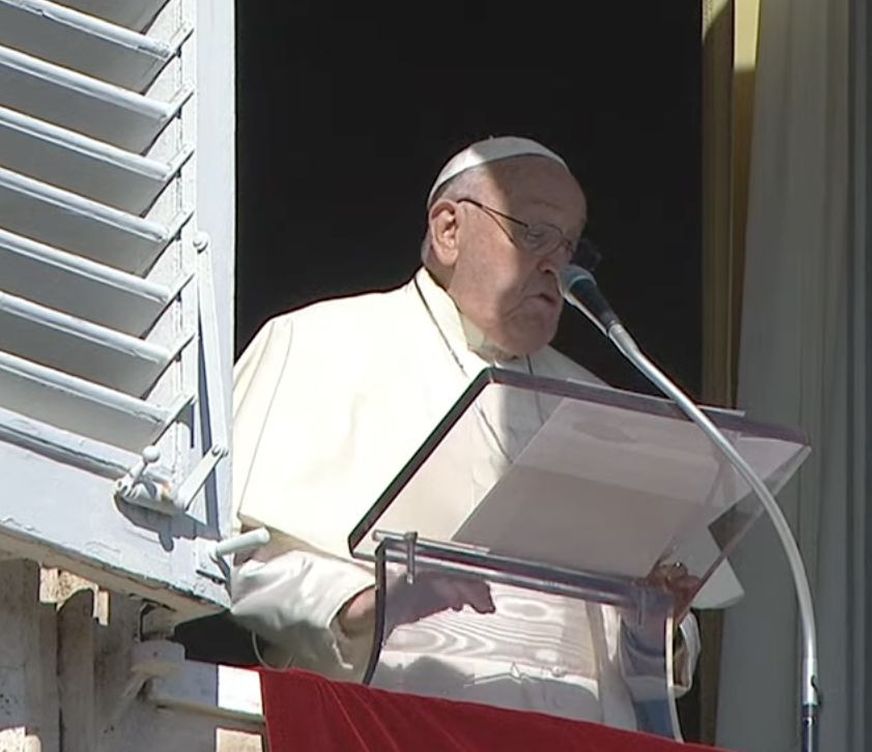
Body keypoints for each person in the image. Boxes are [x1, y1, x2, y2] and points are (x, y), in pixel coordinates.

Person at [226, 136, 734, 733]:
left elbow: (656, 650)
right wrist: (363, 604)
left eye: (571, 246)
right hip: (398, 727)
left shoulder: (603, 408)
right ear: (448, 230)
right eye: (535, 233)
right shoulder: (317, 344)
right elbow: (239, 555)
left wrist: (656, 625)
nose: (557, 266)